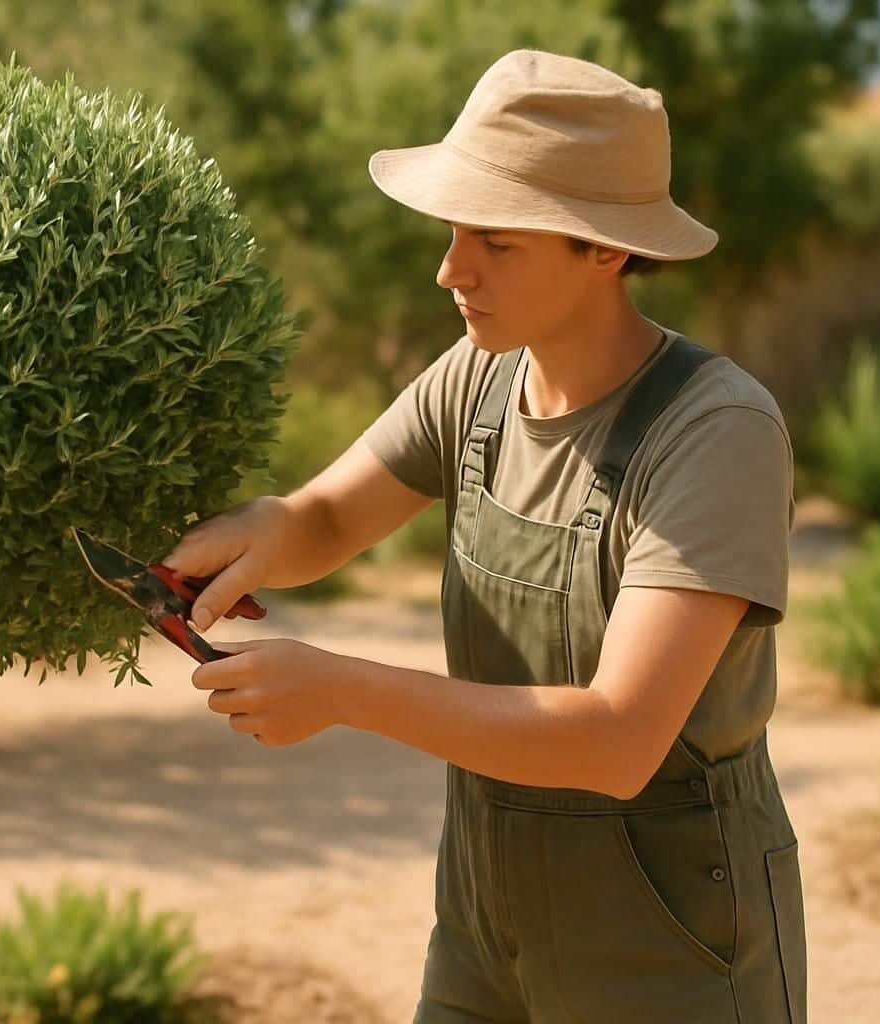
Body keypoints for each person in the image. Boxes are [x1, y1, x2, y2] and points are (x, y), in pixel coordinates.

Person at [163, 50, 806, 1023]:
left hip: (668, 939)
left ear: (605, 248)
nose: (450, 269)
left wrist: (340, 690)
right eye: (455, 230)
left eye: (496, 241)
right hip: (481, 919)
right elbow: (327, 517)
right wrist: (232, 542)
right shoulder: (478, 377)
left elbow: (619, 738)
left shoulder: (717, 432)